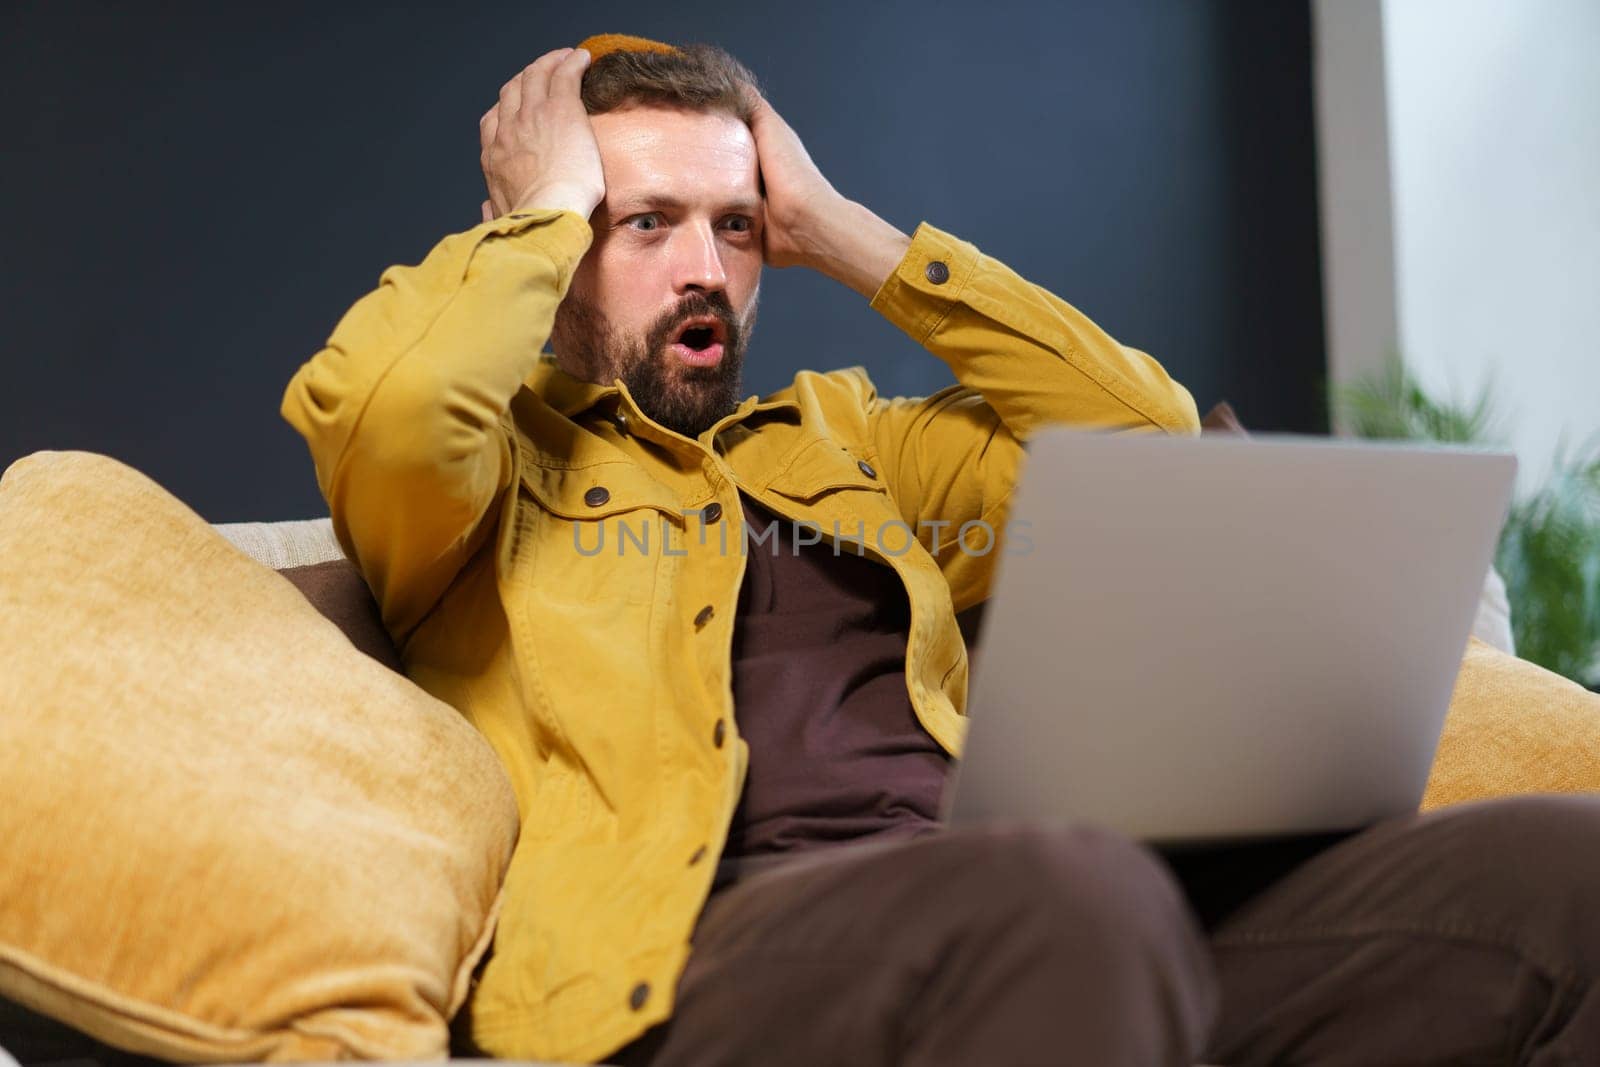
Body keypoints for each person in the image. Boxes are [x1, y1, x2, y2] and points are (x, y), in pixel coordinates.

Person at [282, 35, 1600, 1067]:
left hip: (1046, 905)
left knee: (1565, 873)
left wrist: (846, 231)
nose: (703, 268)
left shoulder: (849, 442)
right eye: (644, 223)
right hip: (709, 955)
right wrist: (546, 202)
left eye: (735, 227)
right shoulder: (479, 481)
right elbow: (393, 413)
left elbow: (1155, 443)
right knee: (1068, 896)